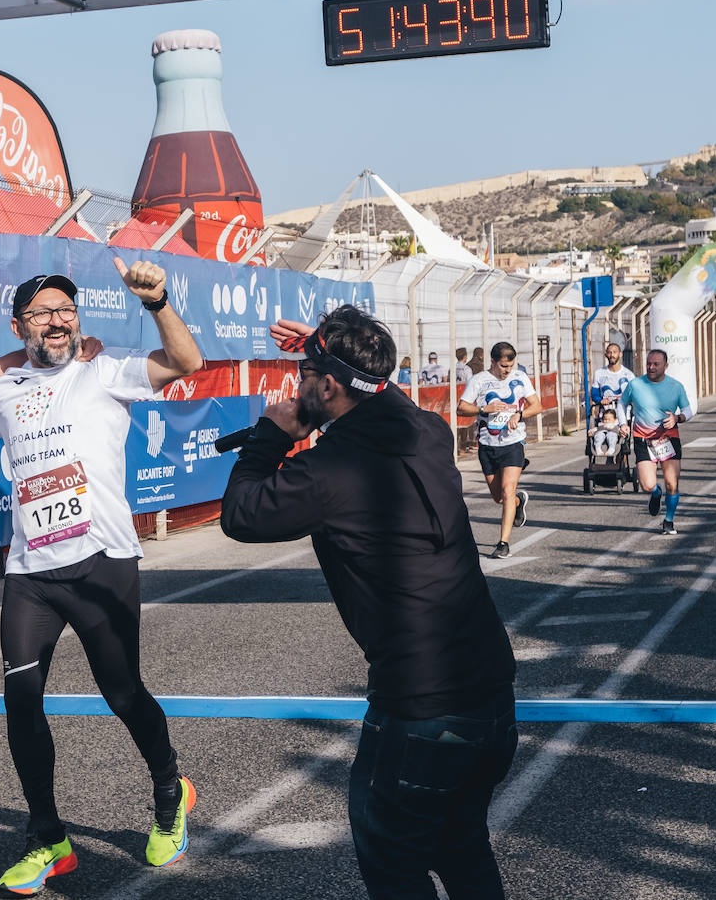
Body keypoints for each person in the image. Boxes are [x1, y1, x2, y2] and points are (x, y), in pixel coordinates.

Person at [219, 305, 518, 900]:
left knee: (391, 859)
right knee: (461, 845)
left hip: (421, 707)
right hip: (489, 692)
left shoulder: (328, 471)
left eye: (305, 374)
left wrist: (271, 437)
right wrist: (340, 361)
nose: (297, 384)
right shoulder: (427, 432)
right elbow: (387, 398)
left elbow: (240, 516)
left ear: (327, 386)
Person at [0, 260, 203, 893]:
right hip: (32, 574)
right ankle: (49, 837)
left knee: (122, 693)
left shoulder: (104, 371)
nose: (58, 321)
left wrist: (158, 301)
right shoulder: (2, 391)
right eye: (42, 313)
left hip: (102, 564)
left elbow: (185, 361)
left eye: (66, 310)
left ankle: (170, 788)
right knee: (20, 700)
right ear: (19, 325)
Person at [457, 341, 543, 559]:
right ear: (493, 362)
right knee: (499, 497)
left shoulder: (520, 378)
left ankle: (503, 543)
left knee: (507, 489)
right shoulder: (479, 380)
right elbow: (461, 408)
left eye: (510, 366)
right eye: (503, 366)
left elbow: (537, 405)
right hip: (487, 445)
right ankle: (518, 502)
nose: (507, 371)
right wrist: (483, 409)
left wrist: (519, 415)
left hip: (513, 442)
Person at [617, 349, 693, 535]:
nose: (651, 367)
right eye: (649, 363)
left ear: (665, 366)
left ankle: (669, 521)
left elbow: (688, 410)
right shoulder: (635, 384)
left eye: (656, 364)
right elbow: (621, 403)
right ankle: (656, 493)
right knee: (647, 485)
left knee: (672, 483)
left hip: (668, 438)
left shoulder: (676, 386)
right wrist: (623, 423)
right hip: (643, 440)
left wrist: (677, 418)